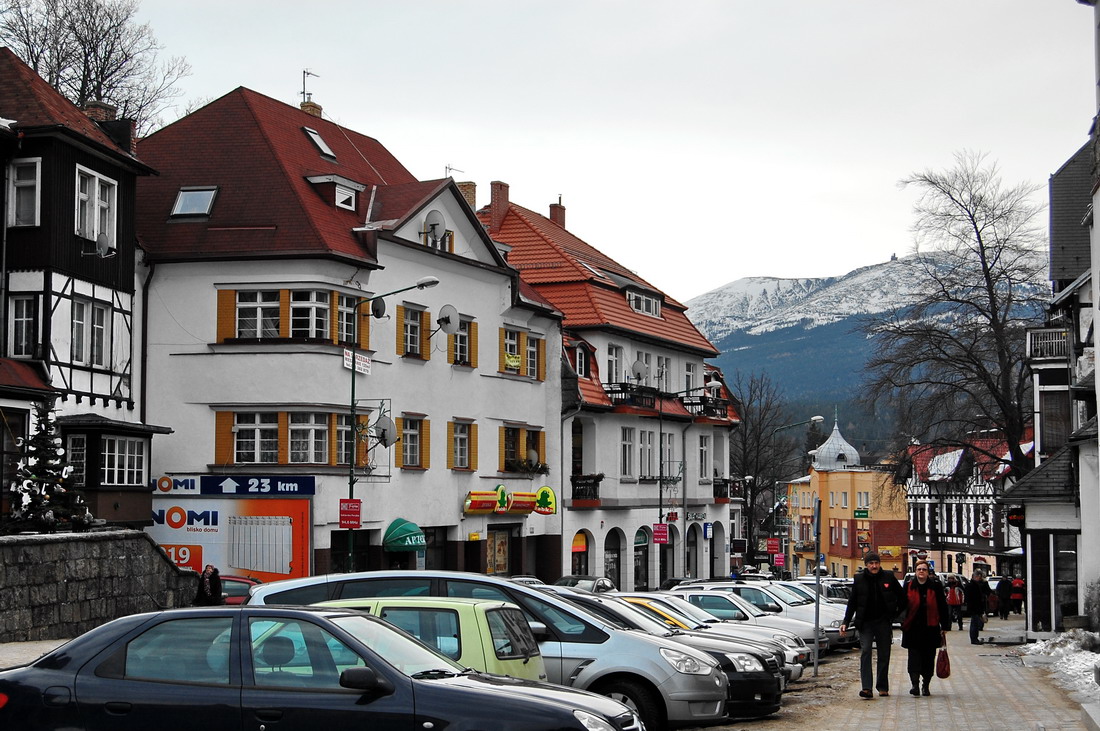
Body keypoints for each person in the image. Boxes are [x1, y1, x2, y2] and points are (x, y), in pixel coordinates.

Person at [841, 552, 906, 699]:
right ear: (866, 565)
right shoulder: (859, 579)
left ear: (879, 563)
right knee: (866, 652)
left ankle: (882, 687)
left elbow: (902, 597)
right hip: (865, 623)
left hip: (883, 622)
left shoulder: (888, 577)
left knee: (884, 654)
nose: (874, 566)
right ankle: (866, 688)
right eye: (871, 563)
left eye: (876, 563)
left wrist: (895, 614)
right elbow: (852, 602)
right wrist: (845, 621)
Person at [901, 560, 950, 696]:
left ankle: (926, 685)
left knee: (928, 658)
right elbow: (902, 604)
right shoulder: (909, 585)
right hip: (912, 628)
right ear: (915, 572)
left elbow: (942, 606)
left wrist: (945, 625)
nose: (921, 571)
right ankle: (915, 685)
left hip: (931, 628)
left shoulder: (935, 586)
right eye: (919, 569)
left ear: (928, 572)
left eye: (924, 569)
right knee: (914, 658)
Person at [964, 570, 992, 644]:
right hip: (974, 607)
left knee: (976, 623)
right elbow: (969, 598)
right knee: (974, 623)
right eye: (978, 577)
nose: (979, 578)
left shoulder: (976, 585)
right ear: (975, 577)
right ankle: (974, 639)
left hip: (977, 607)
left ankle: (975, 638)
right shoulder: (971, 585)